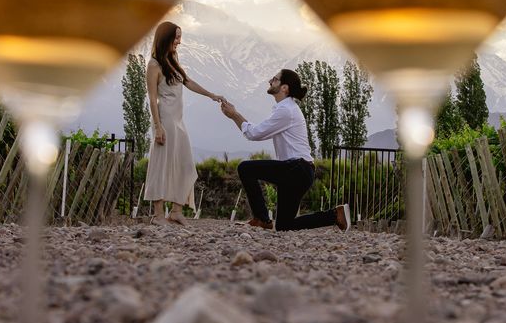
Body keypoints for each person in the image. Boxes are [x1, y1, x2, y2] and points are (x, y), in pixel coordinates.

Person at [220, 69, 350, 233]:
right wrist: (234, 115)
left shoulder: (285, 111)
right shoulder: (286, 109)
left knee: (245, 168)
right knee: (284, 226)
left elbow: (254, 134)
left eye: (274, 79)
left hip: (297, 169)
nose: (270, 81)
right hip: (300, 171)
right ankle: (334, 216)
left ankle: (262, 219)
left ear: (284, 88)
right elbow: (254, 131)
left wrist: (234, 115)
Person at [143, 21, 224, 225]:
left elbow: (187, 81)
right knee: (161, 165)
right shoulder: (153, 65)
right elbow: (152, 99)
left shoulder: (173, 59)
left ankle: (176, 211)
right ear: (166, 38)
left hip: (178, 121)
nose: (179, 41)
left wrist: (211, 95)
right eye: (176, 37)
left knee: (186, 165)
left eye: (180, 37)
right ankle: (158, 215)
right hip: (166, 121)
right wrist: (157, 126)